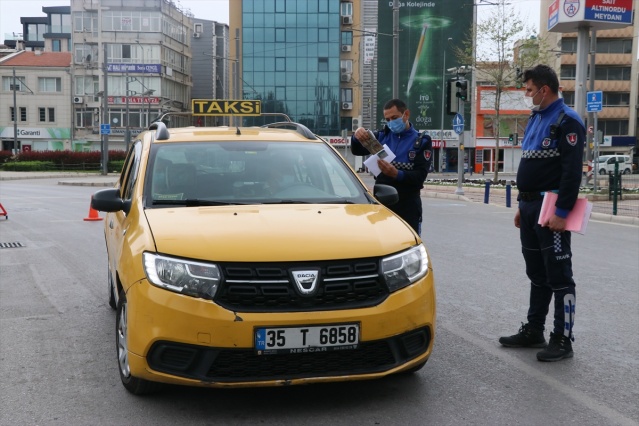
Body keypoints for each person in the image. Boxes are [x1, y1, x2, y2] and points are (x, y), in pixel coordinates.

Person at [499, 65, 585, 362]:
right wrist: (522, 206)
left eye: (528, 89)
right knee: (537, 274)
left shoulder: (567, 121)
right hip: (530, 207)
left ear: (544, 90)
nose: (526, 94)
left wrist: (562, 212)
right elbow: (532, 165)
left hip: (552, 212)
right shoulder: (536, 118)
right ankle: (534, 329)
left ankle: (562, 338)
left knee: (560, 276)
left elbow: (571, 173)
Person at [351, 99, 432, 235]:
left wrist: (396, 174)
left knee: (409, 242)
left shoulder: (421, 141)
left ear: (406, 115)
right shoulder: (381, 137)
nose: (391, 123)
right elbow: (357, 150)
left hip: (408, 205)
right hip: (383, 204)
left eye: (394, 118)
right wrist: (357, 135)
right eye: (387, 120)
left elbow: (420, 177)